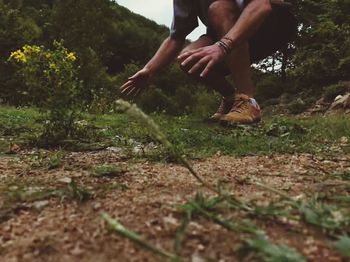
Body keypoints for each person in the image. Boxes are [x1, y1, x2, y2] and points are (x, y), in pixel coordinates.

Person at [121, 0, 297, 124]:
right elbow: (176, 37)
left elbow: (262, 5)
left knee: (218, 7)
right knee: (188, 58)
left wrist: (223, 46)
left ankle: (247, 100)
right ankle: (231, 98)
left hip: (271, 24)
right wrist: (149, 69)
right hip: (228, 32)